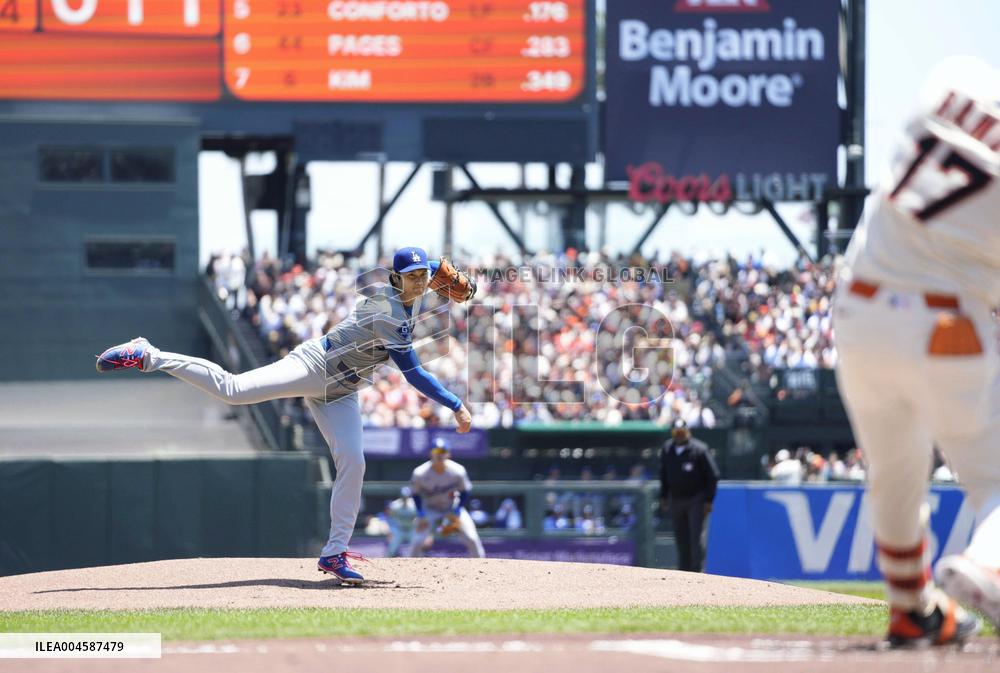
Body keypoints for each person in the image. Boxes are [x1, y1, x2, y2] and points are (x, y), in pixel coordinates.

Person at [95, 246, 474, 585]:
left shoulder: (413, 294)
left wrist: (447, 275)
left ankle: (334, 553)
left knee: (353, 462)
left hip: (341, 390)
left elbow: (440, 281)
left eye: (424, 275)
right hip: (314, 365)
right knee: (233, 390)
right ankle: (148, 354)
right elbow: (413, 374)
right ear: (395, 279)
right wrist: (456, 405)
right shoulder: (389, 309)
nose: (422, 282)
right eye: (413, 276)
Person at [834, 56, 1000, 647]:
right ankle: (988, 567)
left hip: (857, 309)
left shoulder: (956, 74)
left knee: (896, 473)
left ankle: (911, 607)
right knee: (994, 474)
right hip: (948, 321)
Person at [658, 419, 720, 572]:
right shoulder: (667, 449)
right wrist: (664, 496)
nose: (679, 436)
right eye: (676, 433)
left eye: (681, 433)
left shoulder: (699, 449)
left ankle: (697, 572)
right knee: (681, 537)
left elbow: (713, 475)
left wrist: (708, 500)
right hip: (676, 499)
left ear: (688, 432)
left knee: (696, 537)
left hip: (695, 499)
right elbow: (664, 474)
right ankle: (683, 572)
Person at [409, 438, 485, 558]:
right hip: (430, 509)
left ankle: (482, 569)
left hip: (452, 508)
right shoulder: (420, 473)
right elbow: (415, 494)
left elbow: (465, 491)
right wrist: (421, 514)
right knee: (417, 542)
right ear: (431, 453)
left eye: (442, 451)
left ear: (448, 453)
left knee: (472, 538)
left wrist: (458, 510)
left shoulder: (458, 471)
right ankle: (410, 571)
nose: (439, 454)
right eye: (436, 451)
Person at [384, 486, 419, 558]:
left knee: (417, 548)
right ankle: (384, 563)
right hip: (399, 530)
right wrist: (391, 531)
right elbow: (390, 519)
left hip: (411, 530)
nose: (405, 498)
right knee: (391, 549)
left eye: (406, 496)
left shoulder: (414, 504)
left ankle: (422, 564)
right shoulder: (395, 505)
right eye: (403, 496)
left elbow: (420, 517)